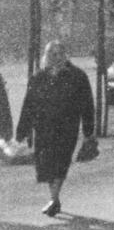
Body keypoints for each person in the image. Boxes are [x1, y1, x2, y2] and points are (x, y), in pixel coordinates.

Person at [15, 40, 96, 218]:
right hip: (43, 129)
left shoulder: (78, 76)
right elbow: (29, 105)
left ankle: (54, 198)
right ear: (46, 56)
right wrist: (22, 131)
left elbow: (87, 105)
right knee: (45, 163)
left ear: (65, 55)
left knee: (61, 161)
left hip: (67, 128)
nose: (56, 57)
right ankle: (54, 197)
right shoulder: (38, 77)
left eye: (59, 53)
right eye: (52, 54)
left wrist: (89, 131)